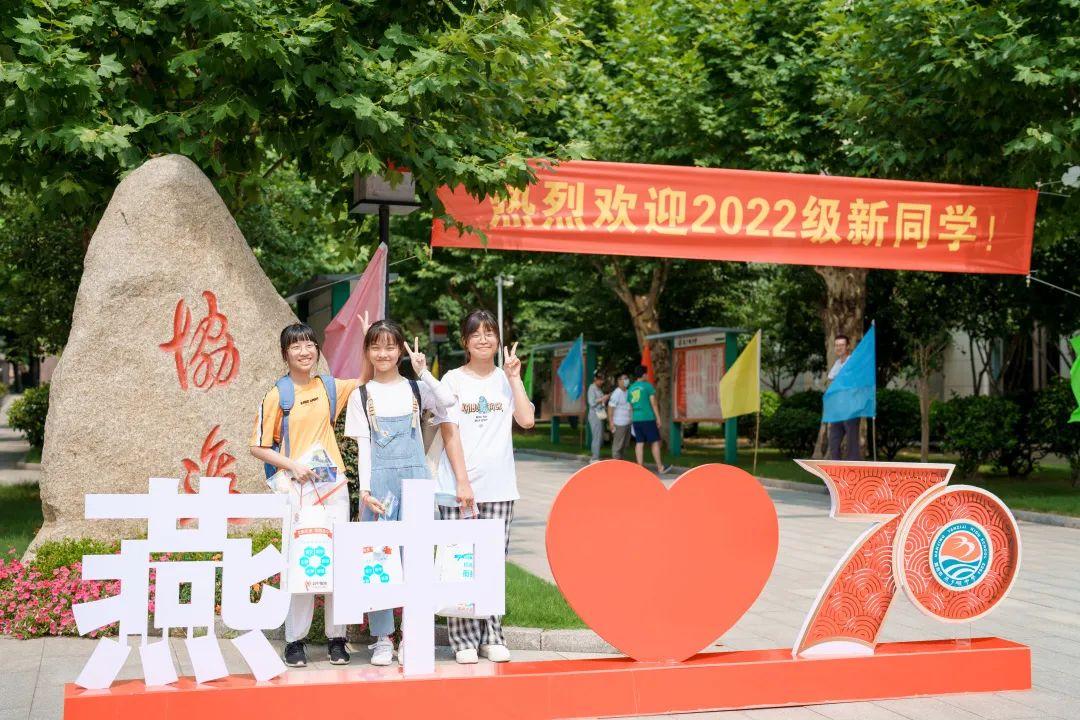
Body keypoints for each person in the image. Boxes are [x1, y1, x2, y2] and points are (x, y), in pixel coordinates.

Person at [343, 320, 456, 666]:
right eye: (376, 347)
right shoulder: (361, 395)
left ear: (400, 350)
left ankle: (411, 634)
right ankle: (382, 638)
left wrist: (424, 372)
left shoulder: (416, 389)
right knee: (378, 560)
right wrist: (365, 491)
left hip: (416, 484)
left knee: (415, 560)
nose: (383, 353)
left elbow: (448, 401)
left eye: (390, 346)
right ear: (367, 352)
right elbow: (364, 447)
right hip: (380, 487)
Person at [249, 322, 359, 668]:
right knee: (303, 561)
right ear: (285, 354)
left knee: (338, 561)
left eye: (310, 344)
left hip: (333, 487)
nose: (304, 351)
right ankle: (295, 641)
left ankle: (337, 638)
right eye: (296, 346)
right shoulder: (277, 395)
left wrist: (366, 338)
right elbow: (258, 446)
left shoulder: (328, 386)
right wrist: (292, 466)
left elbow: (365, 379)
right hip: (299, 490)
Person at [435, 309, 535, 664]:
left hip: (499, 488)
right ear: (465, 341)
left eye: (489, 333)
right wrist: (463, 482)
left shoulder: (505, 380)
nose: (483, 339)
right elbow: (449, 431)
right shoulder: (452, 380)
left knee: (492, 565)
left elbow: (527, 419)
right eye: (475, 333)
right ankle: (463, 638)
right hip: (457, 488)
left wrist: (514, 378)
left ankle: (492, 635)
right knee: (460, 562)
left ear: (498, 339)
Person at [627, 365, 671, 475]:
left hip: (636, 419)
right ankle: (660, 467)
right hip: (648, 418)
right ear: (643, 375)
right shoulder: (647, 386)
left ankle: (640, 467)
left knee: (639, 442)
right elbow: (654, 403)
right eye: (646, 374)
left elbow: (630, 406)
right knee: (655, 442)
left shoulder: (631, 388)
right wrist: (658, 418)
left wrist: (633, 418)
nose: (647, 376)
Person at [827, 334, 862, 461]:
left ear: (847, 346)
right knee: (834, 444)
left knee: (852, 445)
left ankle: (853, 471)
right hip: (838, 411)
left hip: (851, 409)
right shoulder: (837, 364)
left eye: (842, 345)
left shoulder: (853, 363)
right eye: (837, 345)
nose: (839, 347)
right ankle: (837, 471)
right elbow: (831, 381)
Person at [607, 373, 632, 460]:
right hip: (619, 424)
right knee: (618, 445)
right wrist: (611, 422)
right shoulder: (616, 393)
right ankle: (615, 463)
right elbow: (610, 408)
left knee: (625, 445)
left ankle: (622, 462)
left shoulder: (628, 392)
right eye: (624, 379)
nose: (626, 381)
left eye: (627, 378)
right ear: (619, 381)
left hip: (628, 423)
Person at [586, 371, 609, 462]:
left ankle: (597, 455)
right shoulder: (592, 388)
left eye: (602, 380)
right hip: (594, 414)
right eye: (600, 380)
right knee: (596, 436)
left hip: (600, 414)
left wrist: (604, 400)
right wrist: (603, 398)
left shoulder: (599, 389)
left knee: (599, 436)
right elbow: (591, 402)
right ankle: (594, 457)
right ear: (595, 379)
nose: (601, 382)